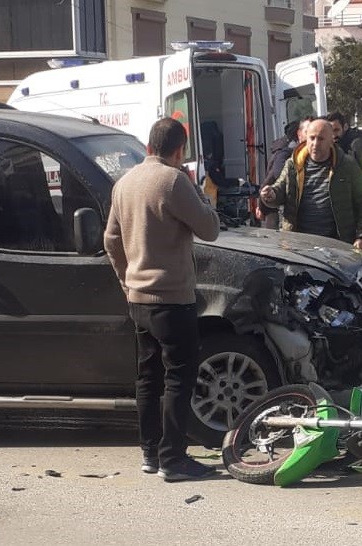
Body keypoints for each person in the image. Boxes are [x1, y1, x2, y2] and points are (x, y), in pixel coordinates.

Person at [104, 118, 221, 481]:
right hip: (173, 299)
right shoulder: (173, 181)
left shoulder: (124, 183)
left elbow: (110, 240)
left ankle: (150, 453)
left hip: (138, 299)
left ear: (149, 145)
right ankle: (174, 459)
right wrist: (204, 194)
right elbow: (210, 229)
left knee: (148, 378)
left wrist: (127, 281)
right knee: (178, 379)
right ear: (179, 150)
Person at [259, 118, 362, 251]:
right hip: (300, 245)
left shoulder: (347, 165)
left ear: (331, 140)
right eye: (312, 138)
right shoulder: (293, 164)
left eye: (321, 139)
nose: (315, 143)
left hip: (338, 245)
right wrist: (271, 194)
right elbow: (280, 189)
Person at [257, 120, 299, 229]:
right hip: (275, 209)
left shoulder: (280, 149)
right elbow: (275, 176)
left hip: (272, 205)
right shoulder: (285, 153)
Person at [327, 111, 362, 176]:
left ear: (345, 127)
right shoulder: (333, 147)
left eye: (336, 130)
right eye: (330, 131)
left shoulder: (357, 145)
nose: (333, 135)